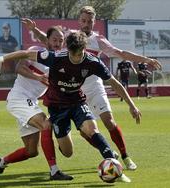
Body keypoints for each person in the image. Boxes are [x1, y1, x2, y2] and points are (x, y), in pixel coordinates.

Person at [0, 31, 143, 183]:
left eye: (80, 54)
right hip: (56, 107)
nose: (76, 58)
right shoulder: (55, 58)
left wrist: (132, 105)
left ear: (84, 49)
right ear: (68, 50)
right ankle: (58, 150)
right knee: (67, 152)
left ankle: (114, 166)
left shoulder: (93, 62)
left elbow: (115, 83)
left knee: (90, 129)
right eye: (73, 54)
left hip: (77, 102)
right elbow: (25, 54)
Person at [21, 6, 161, 170]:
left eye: (90, 21)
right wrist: (35, 30)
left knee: (108, 120)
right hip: (74, 93)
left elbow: (121, 53)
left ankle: (125, 157)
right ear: (79, 21)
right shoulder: (70, 38)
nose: (86, 24)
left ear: (94, 22)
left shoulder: (99, 40)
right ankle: (109, 153)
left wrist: (146, 59)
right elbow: (49, 41)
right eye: (84, 20)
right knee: (85, 132)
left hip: (94, 87)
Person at [0, 26, 73, 180]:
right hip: (19, 98)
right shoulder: (36, 51)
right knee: (46, 125)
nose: (57, 43)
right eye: (54, 39)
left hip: (29, 102)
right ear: (47, 40)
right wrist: (38, 77)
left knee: (31, 151)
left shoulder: (59, 61)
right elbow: (19, 68)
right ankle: (54, 171)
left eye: (61, 41)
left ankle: (1, 162)